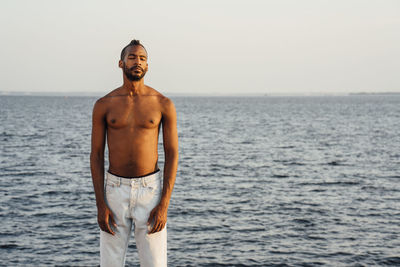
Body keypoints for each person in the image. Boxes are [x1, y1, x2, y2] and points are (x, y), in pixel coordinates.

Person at [90, 39, 179, 267]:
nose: (137, 62)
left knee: (155, 264)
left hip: (150, 190)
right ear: (121, 63)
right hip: (114, 190)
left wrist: (164, 205)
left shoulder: (162, 103)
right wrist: (101, 204)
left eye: (142, 58)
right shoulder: (104, 104)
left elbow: (172, 154)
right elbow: (97, 155)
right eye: (132, 57)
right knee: (109, 263)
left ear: (147, 66)